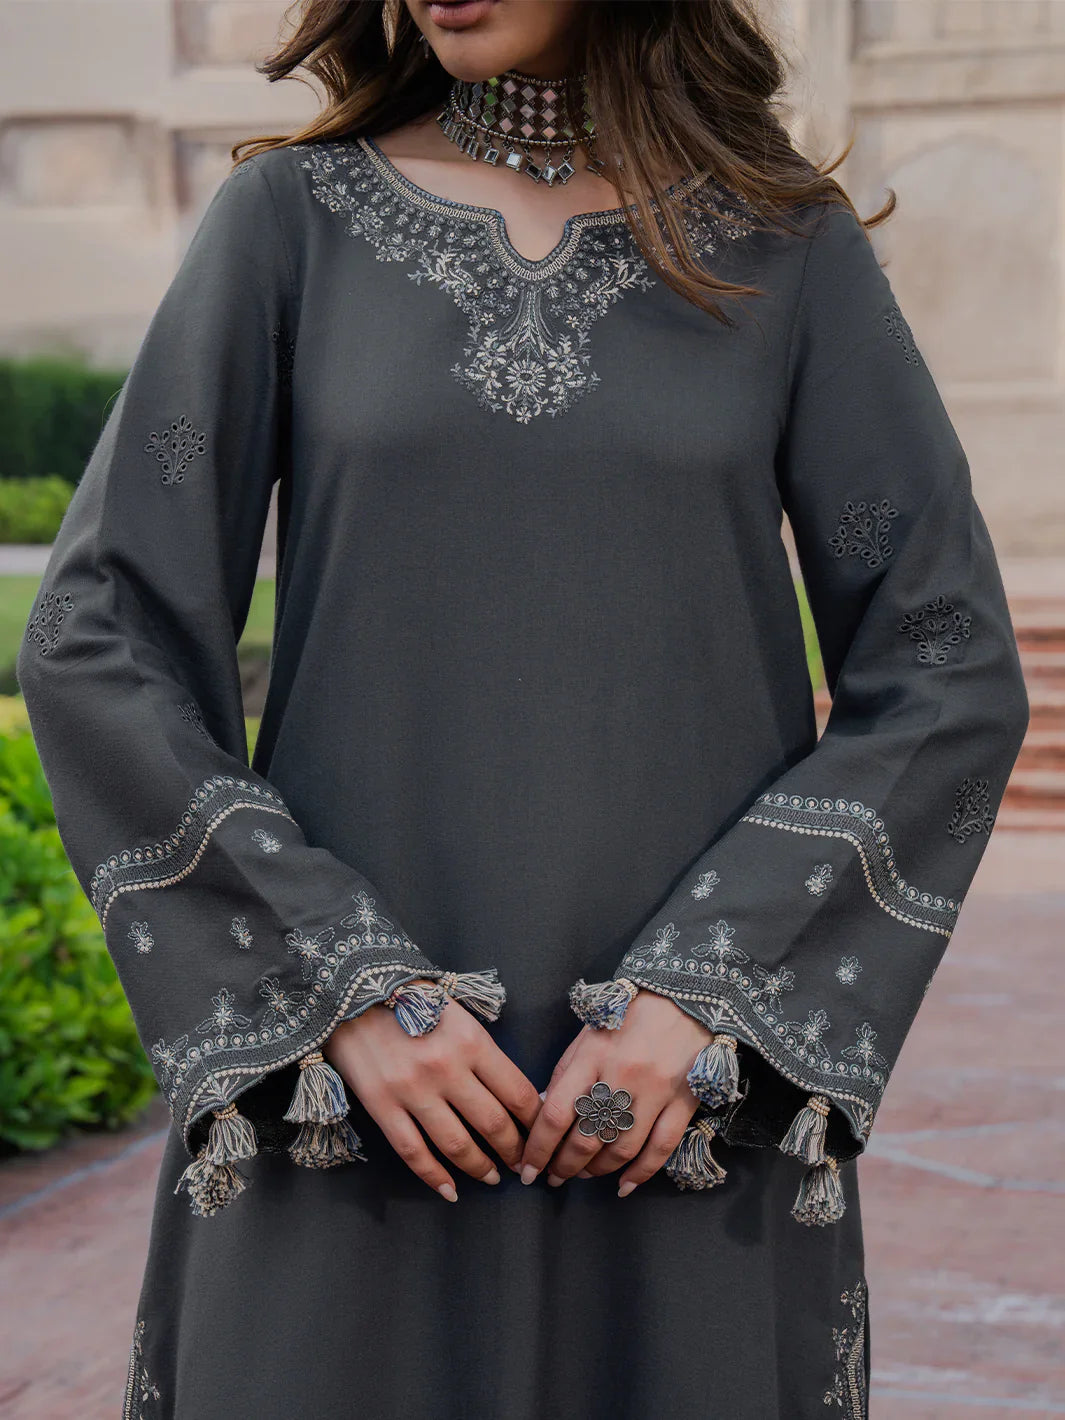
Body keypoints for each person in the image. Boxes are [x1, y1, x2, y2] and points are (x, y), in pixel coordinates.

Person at [16, 1, 1030, 1416]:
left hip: (678, 1112)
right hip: (344, 1107)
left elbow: (945, 662)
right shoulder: (287, 227)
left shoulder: (781, 246)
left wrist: (710, 990)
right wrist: (328, 985)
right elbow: (95, 632)